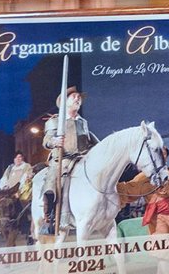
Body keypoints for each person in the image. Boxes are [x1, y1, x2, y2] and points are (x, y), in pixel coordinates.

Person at [42, 87, 96, 235]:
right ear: (64, 102)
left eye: (79, 97)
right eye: (74, 97)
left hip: (82, 158)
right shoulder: (55, 121)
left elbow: (88, 141)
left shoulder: (83, 122)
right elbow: (46, 141)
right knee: (54, 183)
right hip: (63, 159)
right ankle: (51, 216)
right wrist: (54, 141)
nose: (78, 99)